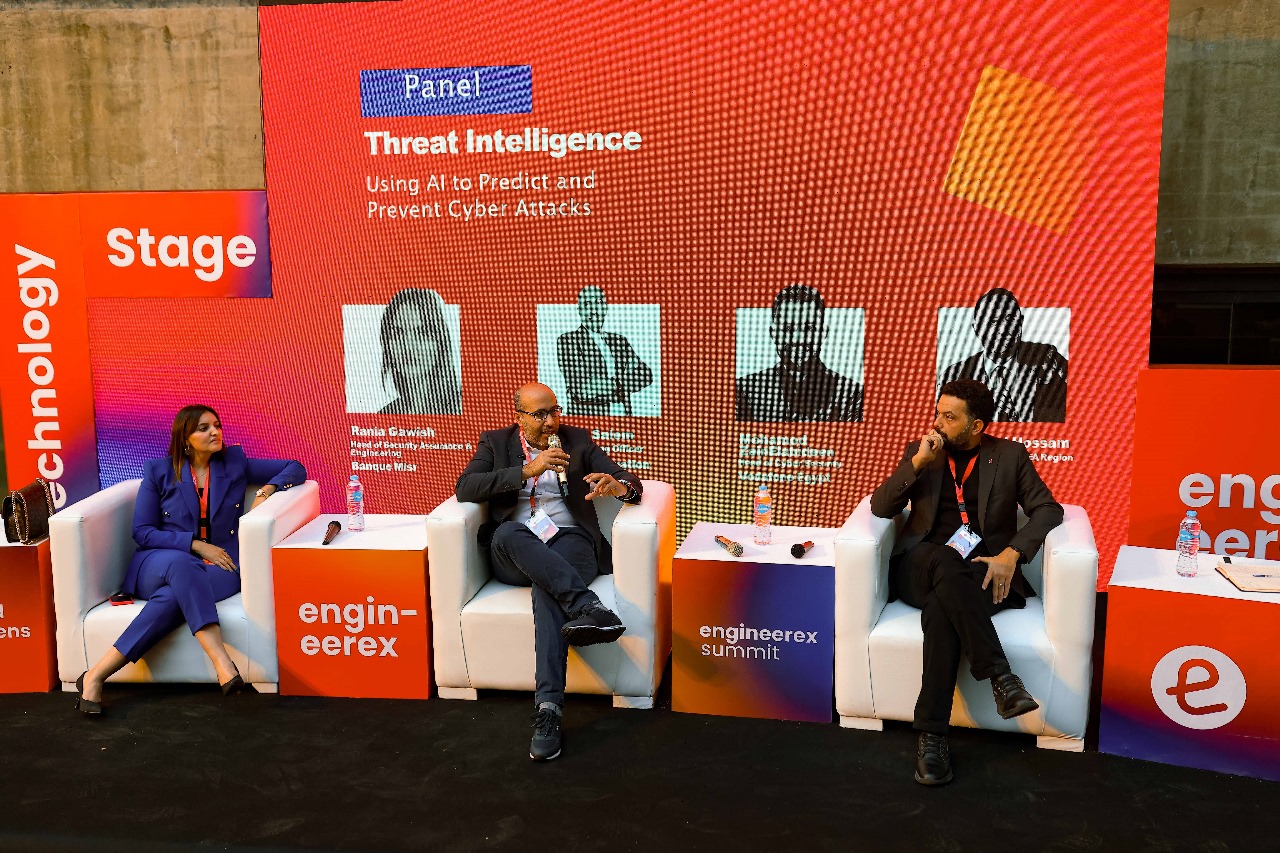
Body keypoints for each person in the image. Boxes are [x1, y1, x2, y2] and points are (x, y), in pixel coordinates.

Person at [870, 379, 1062, 786]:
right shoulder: (922, 452)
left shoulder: (1009, 455)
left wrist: (1011, 553)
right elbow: (881, 507)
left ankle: (932, 737)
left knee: (943, 610)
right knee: (943, 557)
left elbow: (1048, 509)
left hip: (980, 571)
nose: (937, 423)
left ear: (976, 425)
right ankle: (1000, 677)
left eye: (949, 417)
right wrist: (917, 463)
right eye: (937, 413)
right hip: (920, 565)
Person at [75, 405, 306, 715]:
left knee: (174, 597)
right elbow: (142, 532)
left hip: (221, 566)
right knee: (183, 565)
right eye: (203, 428)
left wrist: (267, 490)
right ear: (185, 438)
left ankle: (95, 675)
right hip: (158, 563)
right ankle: (221, 661)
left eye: (217, 425)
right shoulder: (159, 471)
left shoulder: (234, 464)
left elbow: (295, 467)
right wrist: (194, 545)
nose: (215, 432)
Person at [455, 382, 642, 761]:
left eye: (554, 411)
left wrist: (618, 487)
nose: (551, 422)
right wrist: (528, 470)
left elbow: (630, 482)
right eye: (540, 415)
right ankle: (588, 606)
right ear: (519, 417)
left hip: (570, 542)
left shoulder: (577, 441)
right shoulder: (495, 443)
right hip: (514, 549)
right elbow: (465, 488)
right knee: (509, 532)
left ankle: (549, 709)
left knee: (548, 586)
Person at [735, 284, 863, 422]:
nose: (798, 339)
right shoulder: (744, 391)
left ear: (823, 333)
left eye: (809, 328)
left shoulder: (851, 395)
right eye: (787, 328)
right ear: (773, 334)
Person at [938, 287, 1067, 422]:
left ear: (1020, 322)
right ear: (977, 328)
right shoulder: (954, 376)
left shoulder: (1048, 360)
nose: (1003, 329)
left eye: (1010, 319)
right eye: (993, 321)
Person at [555, 285, 653, 416]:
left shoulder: (619, 341)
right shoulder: (568, 341)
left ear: (605, 308)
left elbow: (645, 375)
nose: (593, 310)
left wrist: (602, 384)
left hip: (624, 417)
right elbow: (581, 388)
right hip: (589, 418)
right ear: (579, 310)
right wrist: (623, 382)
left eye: (598, 303)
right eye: (587, 304)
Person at [378, 287, 463, 415]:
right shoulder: (386, 414)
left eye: (423, 333)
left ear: (440, 341)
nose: (408, 346)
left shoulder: (461, 406)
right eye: (398, 333)